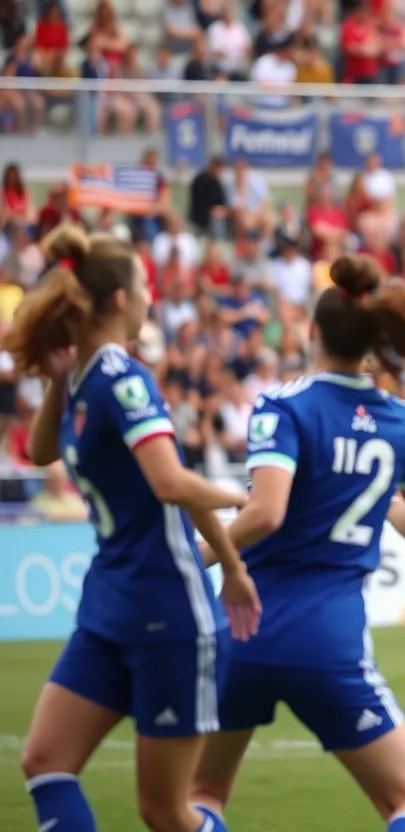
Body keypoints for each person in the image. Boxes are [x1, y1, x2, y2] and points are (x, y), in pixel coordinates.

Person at [189, 254, 405, 832]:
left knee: (204, 794)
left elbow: (267, 510)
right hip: (328, 640)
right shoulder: (401, 422)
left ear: (311, 332)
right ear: (371, 343)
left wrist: (191, 557)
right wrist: (374, 497)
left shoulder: (281, 405)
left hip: (242, 630)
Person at [7, 226, 259, 832]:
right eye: (145, 284)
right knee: (45, 761)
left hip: (165, 612)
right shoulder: (106, 378)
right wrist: (57, 378)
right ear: (120, 299)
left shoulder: (121, 379)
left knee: (165, 813)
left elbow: (171, 486)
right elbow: (165, 481)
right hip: (112, 605)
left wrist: (231, 561)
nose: (152, 295)